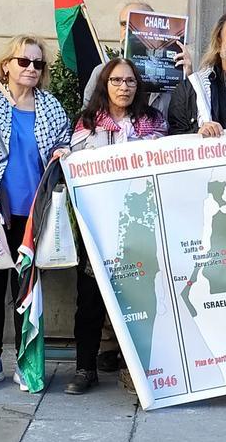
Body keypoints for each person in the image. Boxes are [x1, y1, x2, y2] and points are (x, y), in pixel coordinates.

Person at [0, 35, 71, 391]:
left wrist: (64, 151)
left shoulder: (51, 107)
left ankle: (25, 360)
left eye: (38, 64)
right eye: (24, 62)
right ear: (7, 65)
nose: (31, 69)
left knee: (26, 289)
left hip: (34, 213)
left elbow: (61, 145)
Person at [64, 58, 167, 394]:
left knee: (139, 299)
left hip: (140, 225)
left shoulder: (153, 122)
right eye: (117, 81)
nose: (124, 87)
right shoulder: (88, 123)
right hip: (98, 227)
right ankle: (84, 368)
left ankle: (135, 368)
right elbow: (76, 167)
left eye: (130, 82)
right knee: (91, 299)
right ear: (104, 85)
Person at [82, 0, 194, 118]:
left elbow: (190, 116)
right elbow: (87, 115)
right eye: (124, 24)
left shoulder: (174, 72)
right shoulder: (101, 72)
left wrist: (189, 79)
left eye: (136, 22)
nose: (128, 30)